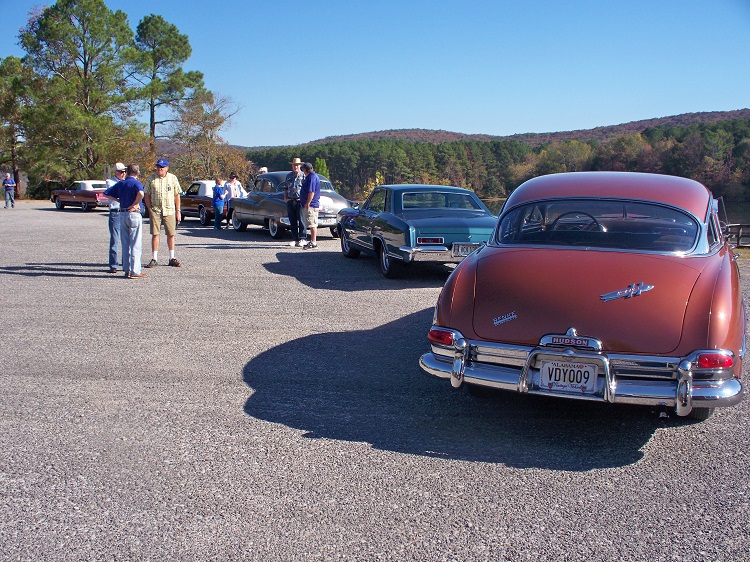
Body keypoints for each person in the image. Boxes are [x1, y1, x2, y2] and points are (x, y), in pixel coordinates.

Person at [103, 164, 147, 279]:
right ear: (137, 173)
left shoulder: (121, 183)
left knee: (125, 243)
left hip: (122, 213)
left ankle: (126, 269)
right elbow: (141, 193)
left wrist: (117, 199)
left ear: (126, 172)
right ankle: (135, 271)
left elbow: (106, 193)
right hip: (134, 214)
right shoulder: (136, 183)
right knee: (135, 244)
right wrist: (135, 203)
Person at [143, 158, 182, 268]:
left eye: (162, 167)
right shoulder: (151, 179)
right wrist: (149, 209)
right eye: (158, 167)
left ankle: (172, 258)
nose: (159, 169)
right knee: (155, 234)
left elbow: (177, 195)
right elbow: (146, 195)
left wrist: (178, 211)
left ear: (166, 168)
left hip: (169, 210)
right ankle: (154, 258)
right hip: (156, 210)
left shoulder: (173, 178)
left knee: (171, 234)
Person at [104, 163, 127, 273]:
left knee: (125, 238)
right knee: (115, 239)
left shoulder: (126, 182)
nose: (123, 174)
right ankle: (113, 264)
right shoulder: (110, 182)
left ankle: (125, 262)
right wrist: (119, 199)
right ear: (115, 172)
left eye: (124, 171)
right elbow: (112, 193)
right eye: (120, 172)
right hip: (115, 212)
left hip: (124, 211)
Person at [285, 158, 306, 247]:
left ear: (300, 166)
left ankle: (303, 238)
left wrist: (304, 199)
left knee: (301, 221)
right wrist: (285, 198)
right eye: (294, 165)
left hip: (299, 201)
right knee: (292, 221)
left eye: (297, 165)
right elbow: (285, 188)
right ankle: (295, 239)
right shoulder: (289, 176)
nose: (295, 167)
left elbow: (307, 189)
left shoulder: (303, 176)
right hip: (290, 200)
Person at [299, 162, 320, 250]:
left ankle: (313, 242)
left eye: (303, 169)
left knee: (312, 224)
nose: (302, 170)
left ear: (306, 169)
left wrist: (308, 203)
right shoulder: (309, 177)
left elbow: (311, 192)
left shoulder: (312, 177)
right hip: (309, 204)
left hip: (311, 205)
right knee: (310, 223)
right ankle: (312, 241)